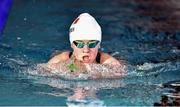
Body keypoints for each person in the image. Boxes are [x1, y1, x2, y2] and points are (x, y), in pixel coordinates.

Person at [42, 13, 126, 79]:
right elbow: (41, 71)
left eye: (92, 43)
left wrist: (95, 72)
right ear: (72, 45)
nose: (86, 50)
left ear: (99, 45)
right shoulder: (60, 60)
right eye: (79, 43)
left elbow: (120, 75)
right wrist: (68, 68)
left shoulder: (110, 63)